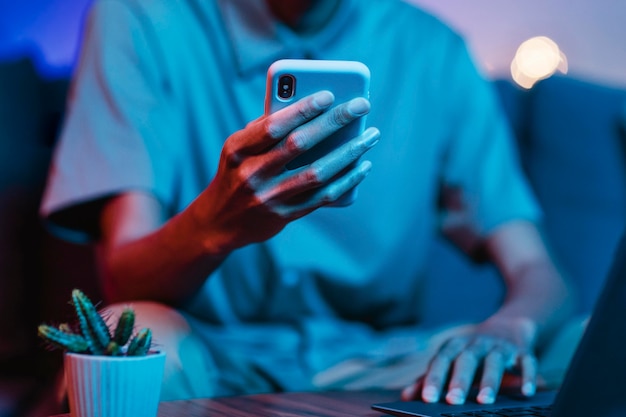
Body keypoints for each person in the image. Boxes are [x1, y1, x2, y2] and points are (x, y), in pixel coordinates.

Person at [41, 0, 573, 406]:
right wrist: (215, 223)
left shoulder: (434, 52)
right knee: (131, 338)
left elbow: (536, 270)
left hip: (379, 358)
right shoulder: (143, 18)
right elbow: (123, 279)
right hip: (209, 348)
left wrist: (511, 326)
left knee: (577, 344)